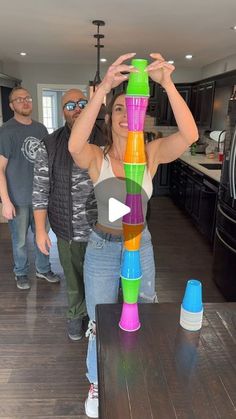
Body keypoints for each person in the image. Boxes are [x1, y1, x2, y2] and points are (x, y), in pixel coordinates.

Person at [68, 52, 198, 418]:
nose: (127, 115)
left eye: (132, 106)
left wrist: (168, 84)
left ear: (143, 111)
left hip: (141, 246)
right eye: (119, 109)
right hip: (102, 248)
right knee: (98, 319)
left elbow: (189, 134)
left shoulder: (152, 154)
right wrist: (103, 90)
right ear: (110, 118)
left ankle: (133, 369)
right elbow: (73, 146)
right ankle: (97, 381)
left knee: (143, 310)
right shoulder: (98, 157)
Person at [32, 89, 100, 341]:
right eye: (70, 105)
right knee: (73, 278)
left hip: (103, 230)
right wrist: (40, 230)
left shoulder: (106, 138)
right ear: (63, 111)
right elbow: (40, 190)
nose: (77, 108)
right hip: (67, 229)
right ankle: (75, 314)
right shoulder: (49, 144)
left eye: (83, 103)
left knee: (102, 278)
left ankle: (99, 317)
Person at [0, 86, 60, 290]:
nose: (25, 102)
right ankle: (21, 272)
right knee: (20, 241)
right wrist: (5, 201)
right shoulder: (6, 131)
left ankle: (43, 269)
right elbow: (0, 168)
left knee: (42, 234)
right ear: (11, 105)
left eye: (28, 98)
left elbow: (48, 162)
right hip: (18, 197)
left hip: (41, 197)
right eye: (19, 99)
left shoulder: (40, 129)